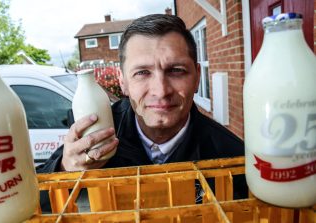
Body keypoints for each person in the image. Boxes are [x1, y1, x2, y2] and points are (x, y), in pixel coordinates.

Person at [37, 14, 246, 196]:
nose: (161, 91)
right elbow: (36, 197)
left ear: (198, 77)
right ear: (123, 82)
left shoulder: (233, 156)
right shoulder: (97, 133)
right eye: (142, 73)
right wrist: (65, 170)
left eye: (176, 70)